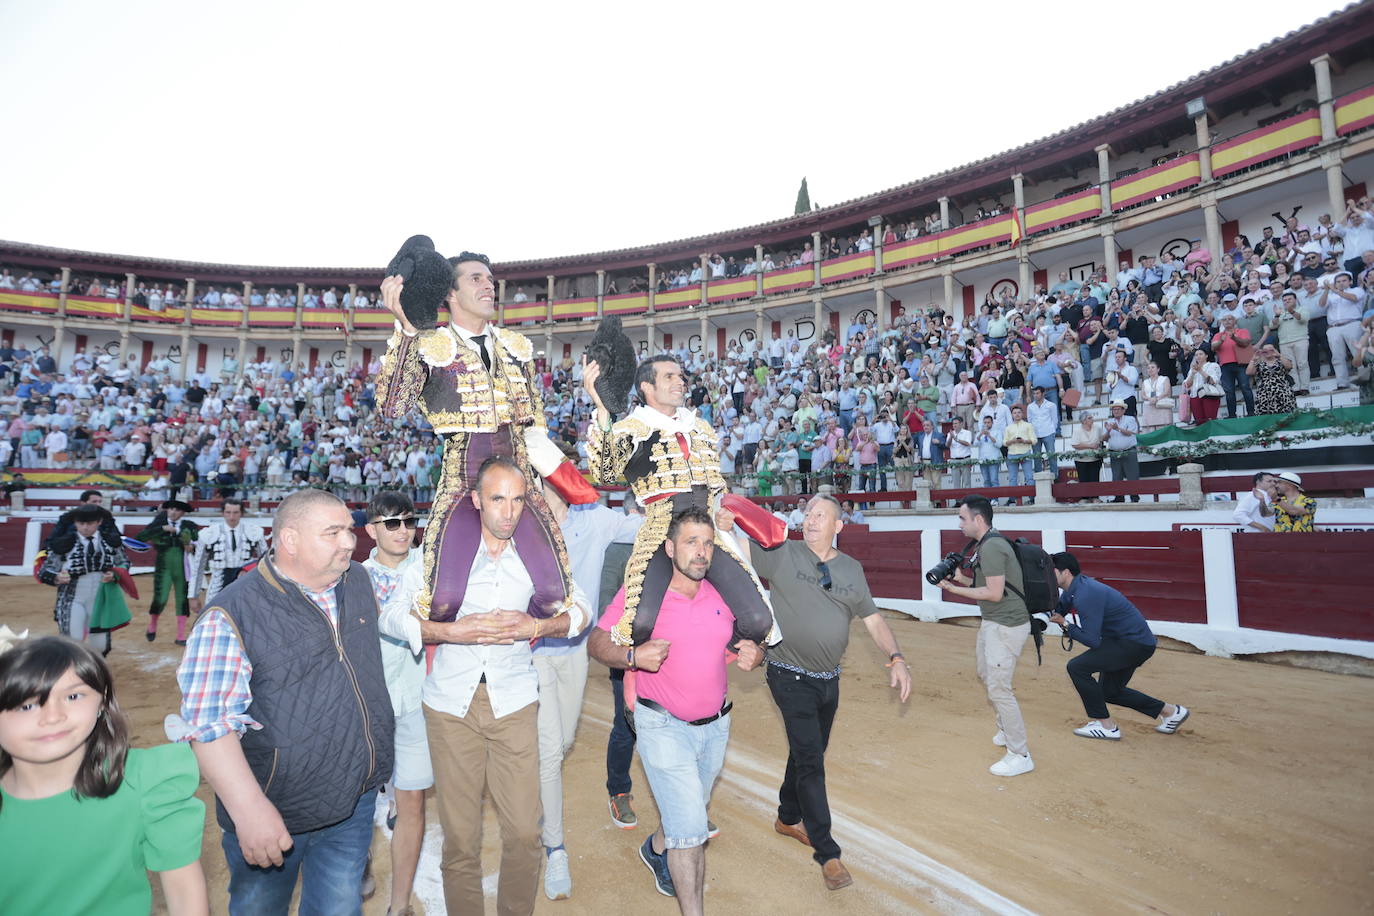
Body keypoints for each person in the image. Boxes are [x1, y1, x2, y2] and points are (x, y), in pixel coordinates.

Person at [174, 488, 395, 916]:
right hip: (275, 807)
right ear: (289, 540)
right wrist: (249, 809)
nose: (349, 541)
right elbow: (209, 725)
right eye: (332, 533)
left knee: (338, 907)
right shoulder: (231, 614)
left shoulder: (360, 581)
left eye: (349, 530)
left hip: (353, 797)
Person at [374, 251, 591, 635]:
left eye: (490, 279)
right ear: (451, 294)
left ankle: (510, 648)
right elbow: (392, 406)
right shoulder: (429, 345)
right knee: (443, 600)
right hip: (463, 480)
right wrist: (406, 330)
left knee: (555, 593)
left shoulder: (515, 347)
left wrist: (554, 481)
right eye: (476, 279)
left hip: (519, 479)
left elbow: (534, 424)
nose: (488, 285)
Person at [419, 456, 592, 916]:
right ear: (476, 501)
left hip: (514, 702)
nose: (509, 511)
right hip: (450, 707)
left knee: (523, 833)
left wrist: (536, 626)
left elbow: (582, 611)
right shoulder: (443, 553)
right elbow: (399, 615)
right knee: (460, 839)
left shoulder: (540, 557)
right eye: (498, 499)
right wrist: (451, 631)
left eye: (518, 500)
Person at [720, 494, 911, 891]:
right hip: (787, 674)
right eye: (807, 514)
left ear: (838, 525)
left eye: (820, 515)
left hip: (829, 679)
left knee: (808, 752)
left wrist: (896, 657)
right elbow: (739, 553)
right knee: (811, 760)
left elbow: (873, 621)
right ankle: (828, 854)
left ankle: (788, 816)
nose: (810, 521)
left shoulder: (852, 570)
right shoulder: (783, 553)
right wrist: (725, 527)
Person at [588, 507, 765, 915]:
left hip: (716, 725)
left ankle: (655, 849)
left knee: (686, 811)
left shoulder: (723, 594)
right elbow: (597, 642)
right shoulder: (644, 598)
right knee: (691, 833)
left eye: (707, 543)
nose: (701, 552)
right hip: (663, 724)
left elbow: (736, 646)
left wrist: (754, 656)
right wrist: (632, 656)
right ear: (669, 548)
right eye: (691, 542)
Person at [0, 636, 209, 915]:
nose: (53, 716)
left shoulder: (144, 781)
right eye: (26, 705)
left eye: (73, 696)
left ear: (102, 703)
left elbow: (185, 896)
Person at [583, 354, 775, 649]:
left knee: (759, 620)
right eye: (669, 376)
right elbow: (604, 470)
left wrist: (722, 511)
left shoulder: (701, 428)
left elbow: (714, 485)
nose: (681, 382)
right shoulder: (632, 428)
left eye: (681, 376)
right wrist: (602, 409)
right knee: (640, 622)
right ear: (647, 386)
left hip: (708, 534)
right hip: (662, 532)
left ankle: (703, 656)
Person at [534, 482, 643, 900]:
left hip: (575, 650)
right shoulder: (525, 522)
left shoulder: (595, 520)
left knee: (560, 743)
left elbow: (642, 529)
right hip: (532, 648)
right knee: (549, 751)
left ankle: (532, 778)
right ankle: (555, 847)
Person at [361, 491, 428, 916]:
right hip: (366, 705)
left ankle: (399, 905)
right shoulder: (351, 578)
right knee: (354, 801)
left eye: (408, 521)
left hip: (419, 701)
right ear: (372, 530)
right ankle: (359, 862)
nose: (403, 530)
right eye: (392, 523)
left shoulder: (432, 569)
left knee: (412, 803)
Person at [934, 495, 1034, 777]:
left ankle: (1020, 753)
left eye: (962, 518)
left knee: (999, 688)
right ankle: (1005, 728)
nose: (960, 524)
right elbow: (986, 585)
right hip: (994, 622)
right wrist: (960, 580)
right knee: (986, 675)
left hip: (1006, 625)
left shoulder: (991, 547)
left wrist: (954, 591)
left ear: (978, 519)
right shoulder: (988, 544)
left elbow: (993, 593)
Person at [1048, 552, 1191, 740]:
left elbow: (1092, 640)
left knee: (1077, 667)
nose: (1047, 577)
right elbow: (1057, 609)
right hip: (1132, 641)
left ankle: (1104, 725)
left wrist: (1065, 624)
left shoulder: (1085, 593)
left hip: (1131, 644)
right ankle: (1171, 712)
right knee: (1110, 692)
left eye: (1051, 572)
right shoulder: (1077, 587)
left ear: (1065, 572)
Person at [601, 495, 646, 830]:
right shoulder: (617, 549)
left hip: (665, 650)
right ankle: (618, 791)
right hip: (628, 652)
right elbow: (606, 607)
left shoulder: (661, 545)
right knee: (626, 722)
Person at [37, 503, 131, 656]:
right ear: (75, 523)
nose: (85, 528)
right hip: (72, 598)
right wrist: (57, 577)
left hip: (100, 598)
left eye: (90, 524)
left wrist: (115, 574)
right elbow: (44, 572)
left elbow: (124, 563)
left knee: (100, 645)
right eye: (81, 524)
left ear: (99, 522)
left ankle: (96, 673)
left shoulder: (110, 541)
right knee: (72, 642)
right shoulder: (63, 543)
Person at [136, 499, 199, 645]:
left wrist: (191, 546)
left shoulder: (189, 526)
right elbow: (140, 537)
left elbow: (198, 542)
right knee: (161, 597)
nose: (173, 512)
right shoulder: (158, 525)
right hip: (163, 565)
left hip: (183, 567)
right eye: (171, 509)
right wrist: (162, 529)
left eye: (177, 510)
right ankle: (152, 625)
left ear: (182, 512)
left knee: (182, 598)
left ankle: (181, 635)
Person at [188, 498, 267, 611]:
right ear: (222, 513)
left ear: (242, 513)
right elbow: (198, 567)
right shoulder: (209, 533)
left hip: (245, 583)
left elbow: (265, 562)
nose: (231, 517)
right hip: (217, 584)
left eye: (235, 513)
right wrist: (193, 596)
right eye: (228, 512)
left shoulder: (254, 532)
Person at [1103, 401, 1140, 503]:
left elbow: (1130, 433)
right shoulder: (1109, 421)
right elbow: (1104, 439)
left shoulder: (1130, 419)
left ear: (1123, 410)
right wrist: (1108, 431)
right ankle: (1119, 497)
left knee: (1132, 475)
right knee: (1116, 475)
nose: (1116, 411)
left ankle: (1134, 497)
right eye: (1114, 409)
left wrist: (1117, 428)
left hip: (1129, 451)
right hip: (1114, 452)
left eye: (1118, 409)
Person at [1247, 343, 1297, 415]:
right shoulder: (1260, 363)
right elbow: (1249, 372)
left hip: (1283, 392)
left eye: (1271, 350)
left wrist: (1279, 355)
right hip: (1264, 394)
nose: (1268, 352)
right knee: (1265, 415)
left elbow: (1289, 366)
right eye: (1265, 351)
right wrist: (1253, 360)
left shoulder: (1281, 360)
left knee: (1286, 413)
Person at [1070, 412, 1106, 485]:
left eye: (1092, 417)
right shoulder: (1077, 430)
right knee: (1084, 481)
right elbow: (1075, 444)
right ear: (1084, 421)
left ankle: (1095, 496)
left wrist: (1108, 431)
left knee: (1095, 481)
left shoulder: (1097, 428)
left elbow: (1101, 439)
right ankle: (1085, 496)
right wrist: (1090, 446)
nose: (1092, 419)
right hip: (1081, 460)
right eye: (1089, 418)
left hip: (1095, 458)